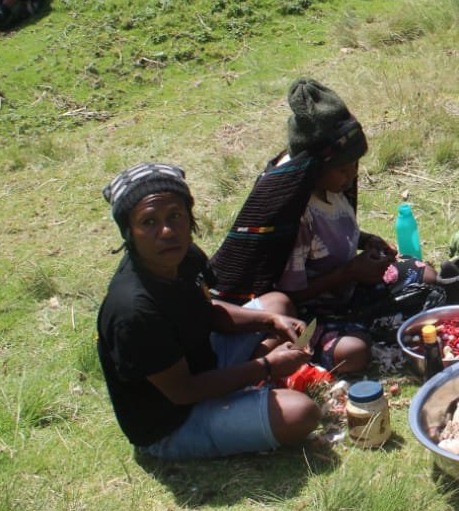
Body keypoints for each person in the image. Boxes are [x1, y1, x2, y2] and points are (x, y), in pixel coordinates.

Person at [210, 77, 439, 374]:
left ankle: (370, 320)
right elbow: (290, 296)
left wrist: (366, 241)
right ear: (314, 168)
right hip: (311, 308)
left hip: (350, 286)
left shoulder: (334, 186)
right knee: (353, 353)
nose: (351, 175)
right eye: (343, 169)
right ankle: (320, 344)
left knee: (427, 275)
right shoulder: (296, 213)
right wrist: (350, 272)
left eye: (355, 165)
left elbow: (338, 233)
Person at [96, 162, 320, 460]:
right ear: (129, 233)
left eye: (175, 216)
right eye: (149, 222)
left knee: (278, 304)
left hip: (204, 365)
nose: (166, 231)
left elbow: (208, 310)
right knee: (301, 414)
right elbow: (183, 391)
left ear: (189, 218)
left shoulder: (185, 257)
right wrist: (267, 365)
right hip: (174, 419)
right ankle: (248, 390)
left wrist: (269, 321)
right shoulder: (134, 311)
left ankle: (245, 389)